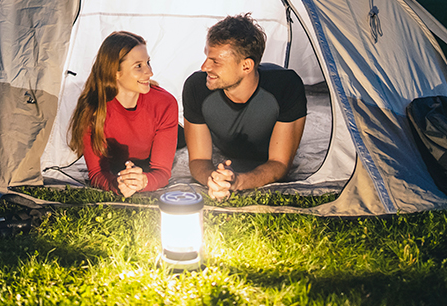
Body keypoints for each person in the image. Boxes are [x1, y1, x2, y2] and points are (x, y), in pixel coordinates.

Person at [183, 14, 307, 200]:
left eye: (215, 61)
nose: (204, 67)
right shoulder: (196, 87)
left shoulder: (285, 87)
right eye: (207, 56)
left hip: (267, 156)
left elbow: (279, 163)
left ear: (246, 66)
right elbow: (198, 159)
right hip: (225, 154)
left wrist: (237, 182)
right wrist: (214, 180)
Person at [67, 31, 180, 197]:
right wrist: (117, 185)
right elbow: (97, 174)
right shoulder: (93, 109)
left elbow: (161, 172)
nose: (149, 72)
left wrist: (143, 182)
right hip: (118, 166)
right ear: (115, 72)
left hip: (153, 152)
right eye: (138, 66)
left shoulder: (164, 103)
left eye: (148, 63)